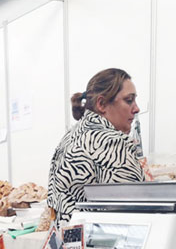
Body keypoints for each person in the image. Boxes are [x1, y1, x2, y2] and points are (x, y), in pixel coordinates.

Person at [48, 68, 143, 224]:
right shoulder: (114, 142)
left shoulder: (69, 136)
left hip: (68, 242)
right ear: (102, 104)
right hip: (98, 242)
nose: (136, 108)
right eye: (129, 100)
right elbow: (135, 213)